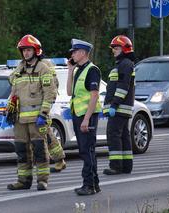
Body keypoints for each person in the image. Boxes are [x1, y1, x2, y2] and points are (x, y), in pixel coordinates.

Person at [6, 34, 57, 191]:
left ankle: (42, 180)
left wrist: (43, 114)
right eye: (24, 51)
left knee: (39, 150)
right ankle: (23, 180)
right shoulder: (19, 70)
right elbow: (13, 91)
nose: (26, 53)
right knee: (21, 150)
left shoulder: (43, 69)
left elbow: (50, 93)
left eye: (29, 50)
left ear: (36, 51)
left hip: (37, 119)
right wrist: (9, 110)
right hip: (20, 120)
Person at [66, 38, 102, 195]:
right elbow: (69, 92)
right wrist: (69, 71)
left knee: (87, 150)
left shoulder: (92, 70)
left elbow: (94, 96)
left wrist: (86, 119)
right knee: (86, 150)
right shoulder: (77, 70)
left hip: (87, 115)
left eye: (74, 52)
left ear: (83, 53)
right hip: (78, 114)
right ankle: (94, 183)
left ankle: (89, 185)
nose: (72, 54)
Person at [102, 35, 135, 175]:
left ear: (125, 49)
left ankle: (115, 166)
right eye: (113, 48)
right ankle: (126, 166)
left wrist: (114, 105)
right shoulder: (123, 64)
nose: (113, 51)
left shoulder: (125, 64)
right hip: (122, 108)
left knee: (113, 135)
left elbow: (122, 87)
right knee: (123, 136)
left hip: (119, 108)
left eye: (116, 48)